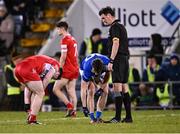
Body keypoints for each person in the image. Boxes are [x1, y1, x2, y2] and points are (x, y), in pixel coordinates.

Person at [99, 6, 132, 123]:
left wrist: (111, 60)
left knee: (117, 87)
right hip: (124, 58)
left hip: (118, 59)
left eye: (103, 18)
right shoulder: (121, 26)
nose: (103, 21)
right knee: (124, 87)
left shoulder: (114, 27)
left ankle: (117, 118)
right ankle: (128, 117)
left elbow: (116, 43)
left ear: (109, 15)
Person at [14, 55, 61, 124]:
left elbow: (28, 87)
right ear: (58, 73)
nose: (53, 78)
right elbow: (44, 84)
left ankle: (29, 112)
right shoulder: (53, 69)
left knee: (35, 90)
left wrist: (27, 102)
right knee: (41, 93)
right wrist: (40, 91)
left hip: (18, 69)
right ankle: (32, 119)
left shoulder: (47, 61)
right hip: (27, 69)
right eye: (55, 78)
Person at [53, 21, 79, 117]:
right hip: (75, 67)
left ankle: (69, 106)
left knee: (55, 89)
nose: (57, 31)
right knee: (71, 90)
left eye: (58, 29)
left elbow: (63, 56)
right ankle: (74, 112)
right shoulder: (73, 38)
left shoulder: (65, 40)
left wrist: (59, 68)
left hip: (68, 68)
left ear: (62, 28)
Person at [80, 53, 110, 123]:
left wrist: (101, 89)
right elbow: (83, 89)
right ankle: (92, 117)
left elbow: (107, 77)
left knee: (105, 92)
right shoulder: (87, 69)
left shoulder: (106, 63)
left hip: (99, 69)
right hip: (85, 68)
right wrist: (84, 107)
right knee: (91, 91)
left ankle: (98, 117)